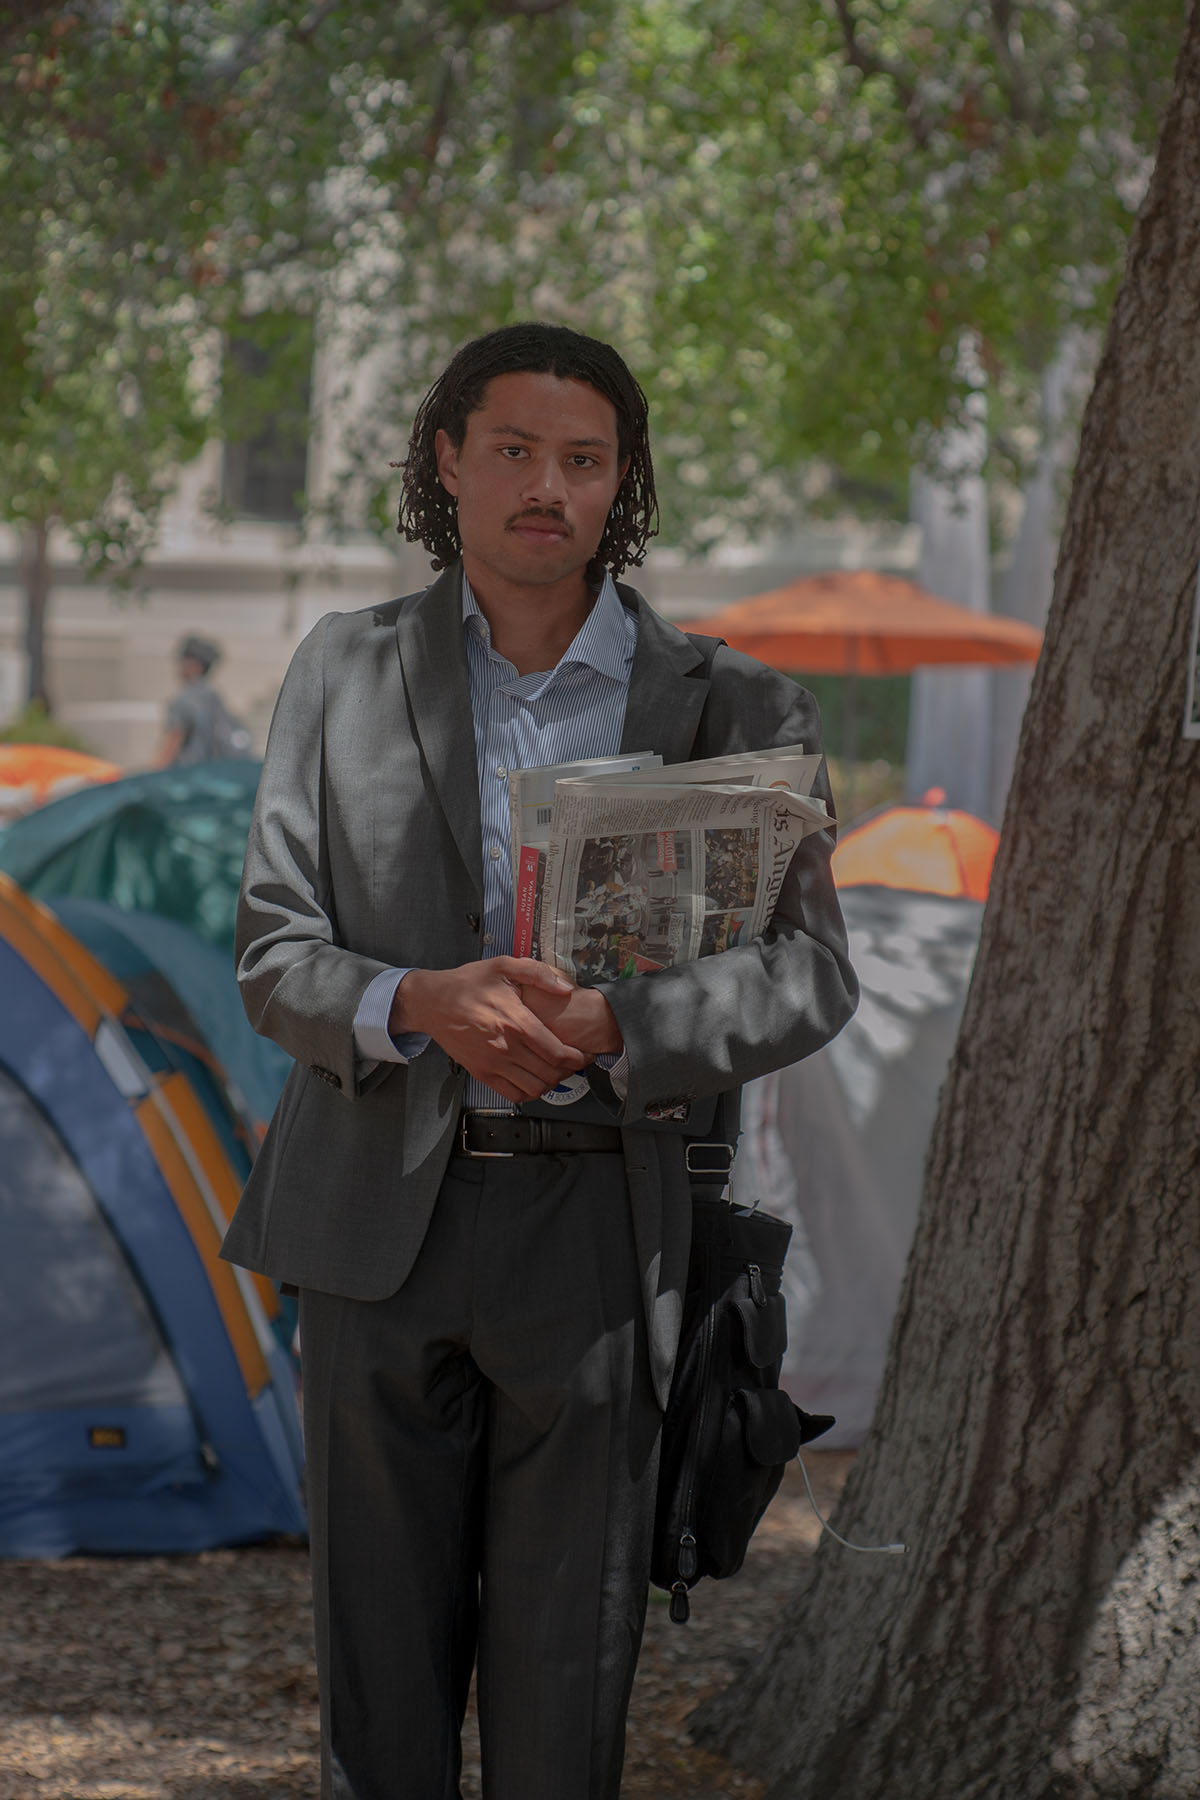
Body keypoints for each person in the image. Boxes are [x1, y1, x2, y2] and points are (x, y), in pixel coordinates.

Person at [220, 322, 858, 1800]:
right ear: (447, 460)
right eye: (514, 450)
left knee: (565, 1699)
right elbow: (273, 950)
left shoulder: (740, 708)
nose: (546, 488)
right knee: (378, 1698)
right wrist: (420, 1002)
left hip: (603, 1235)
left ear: (621, 483)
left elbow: (813, 975)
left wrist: (619, 1024)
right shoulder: (346, 668)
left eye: (583, 461)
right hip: (376, 1227)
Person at [158, 634, 252, 765]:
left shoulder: (184, 700)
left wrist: (153, 774)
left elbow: (173, 741)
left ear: (195, 665)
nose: (179, 668)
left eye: (183, 662)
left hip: (188, 776)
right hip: (212, 773)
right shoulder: (214, 697)